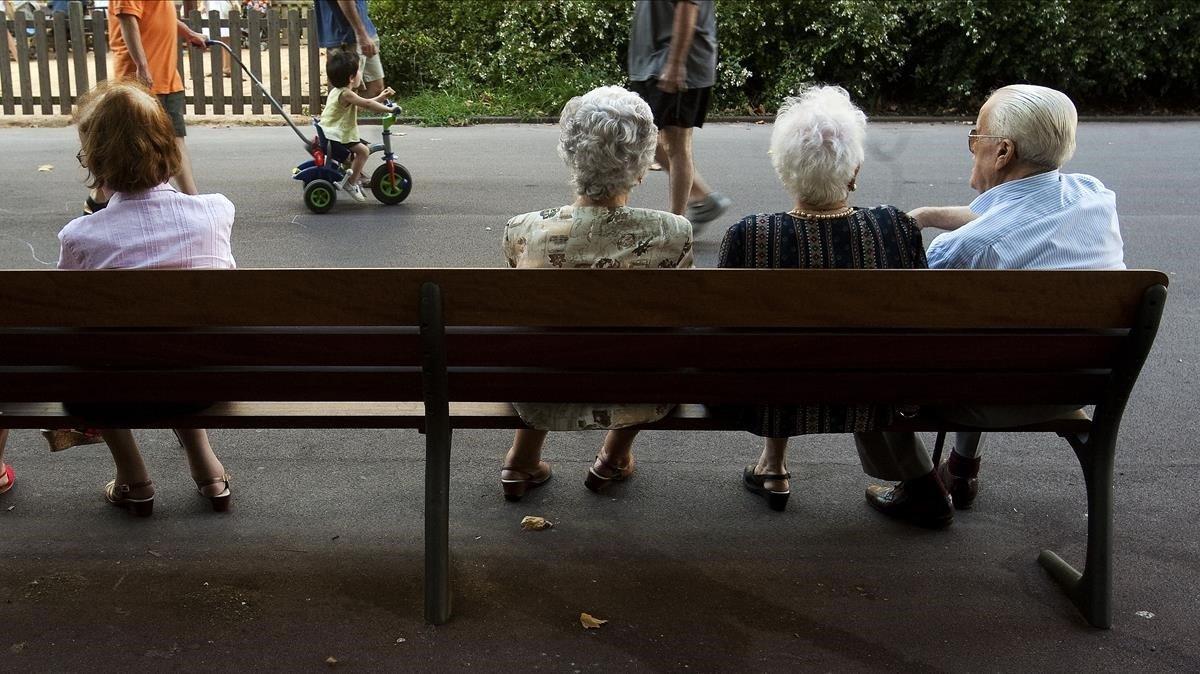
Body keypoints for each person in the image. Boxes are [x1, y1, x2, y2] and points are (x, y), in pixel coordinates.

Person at [864, 84, 1125, 525]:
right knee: (989, 337)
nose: (972, 146)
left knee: (873, 359)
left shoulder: (966, 249)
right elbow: (1014, 214)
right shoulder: (1094, 196)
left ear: (1003, 152)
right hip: (1079, 387)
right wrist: (927, 214)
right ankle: (962, 469)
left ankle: (919, 484)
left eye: (976, 136)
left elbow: (894, 311)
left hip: (991, 395)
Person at [716, 85, 931, 513]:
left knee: (776, 343)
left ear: (784, 170)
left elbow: (725, 334)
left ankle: (773, 465)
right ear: (854, 171)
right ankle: (775, 464)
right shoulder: (894, 228)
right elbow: (916, 326)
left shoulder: (750, 235)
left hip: (769, 399)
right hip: (872, 395)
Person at [499, 85, 694, 501]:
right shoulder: (673, 234)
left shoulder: (523, 230)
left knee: (542, 338)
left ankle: (521, 460)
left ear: (571, 155)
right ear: (641, 168)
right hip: (639, 390)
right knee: (649, 347)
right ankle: (613, 457)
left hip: (541, 388)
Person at [60, 80, 236, 516]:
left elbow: (67, 324)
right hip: (205, 386)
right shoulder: (217, 211)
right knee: (181, 341)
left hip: (111, 394)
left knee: (103, 353)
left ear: (95, 160)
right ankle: (207, 469)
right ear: (168, 147)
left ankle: (134, 478)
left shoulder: (80, 237)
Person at [86, 0, 208, 213]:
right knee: (128, 144)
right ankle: (99, 198)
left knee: (174, 138)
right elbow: (127, 19)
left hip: (167, 76)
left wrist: (187, 32)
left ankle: (193, 200)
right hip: (142, 79)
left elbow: (158, 15)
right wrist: (142, 66)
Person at [628, 0, 731, 224]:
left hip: (677, 63)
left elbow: (688, 5)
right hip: (649, 64)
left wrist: (675, 64)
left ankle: (677, 226)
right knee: (646, 137)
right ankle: (703, 197)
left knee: (676, 145)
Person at [319, 48, 396, 201]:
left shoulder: (339, 91)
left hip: (331, 133)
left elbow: (364, 104)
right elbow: (367, 104)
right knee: (364, 151)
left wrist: (381, 97)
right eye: (359, 71)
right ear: (351, 78)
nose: (362, 74)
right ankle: (352, 182)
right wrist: (390, 109)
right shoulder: (347, 94)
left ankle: (349, 173)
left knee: (363, 146)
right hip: (335, 137)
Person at [313, 0, 385, 98]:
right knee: (346, 95)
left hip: (361, 31)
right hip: (347, 36)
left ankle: (357, 112)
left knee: (375, 89)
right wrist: (360, 33)